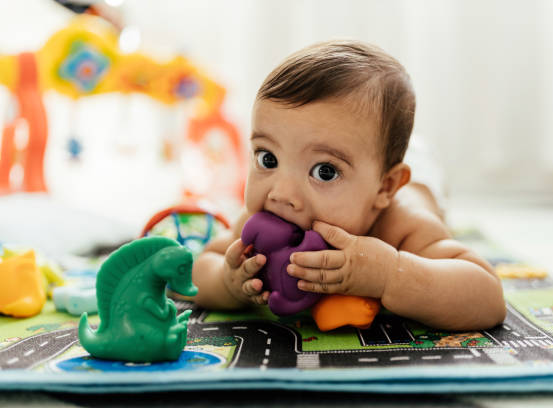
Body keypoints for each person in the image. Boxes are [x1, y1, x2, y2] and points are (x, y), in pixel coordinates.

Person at [191, 40, 506, 331]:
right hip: (374, 164)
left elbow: (486, 296)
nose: (282, 194)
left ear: (385, 188)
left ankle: (412, 156)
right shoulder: (260, 223)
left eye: (325, 171)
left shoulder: (402, 227)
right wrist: (227, 282)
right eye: (268, 159)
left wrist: (390, 274)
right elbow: (201, 267)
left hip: (421, 179)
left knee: (413, 172)